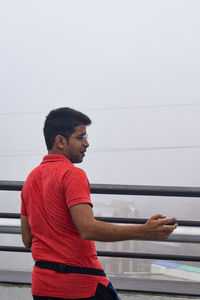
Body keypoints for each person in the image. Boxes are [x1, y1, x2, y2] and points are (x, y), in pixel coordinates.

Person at [21, 107, 178, 300]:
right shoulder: (72, 174)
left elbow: (27, 239)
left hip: (42, 287)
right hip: (81, 286)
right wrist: (143, 231)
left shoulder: (31, 179)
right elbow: (88, 229)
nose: (86, 144)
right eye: (81, 137)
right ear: (60, 141)